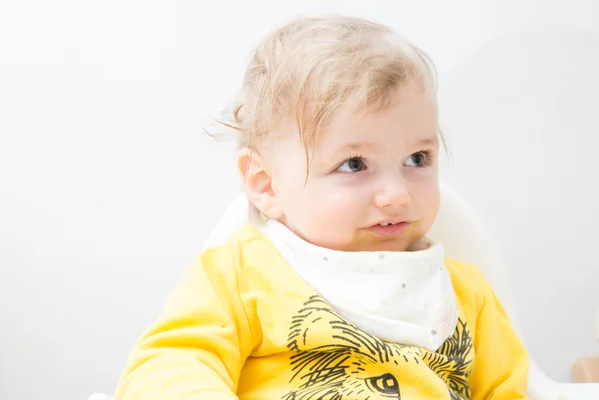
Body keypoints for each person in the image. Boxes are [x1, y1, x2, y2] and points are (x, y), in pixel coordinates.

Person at [115, 14, 529, 400]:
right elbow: (171, 364)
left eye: (417, 159)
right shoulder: (241, 273)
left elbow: (509, 390)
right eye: (354, 165)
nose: (397, 195)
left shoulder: (465, 293)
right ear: (266, 185)